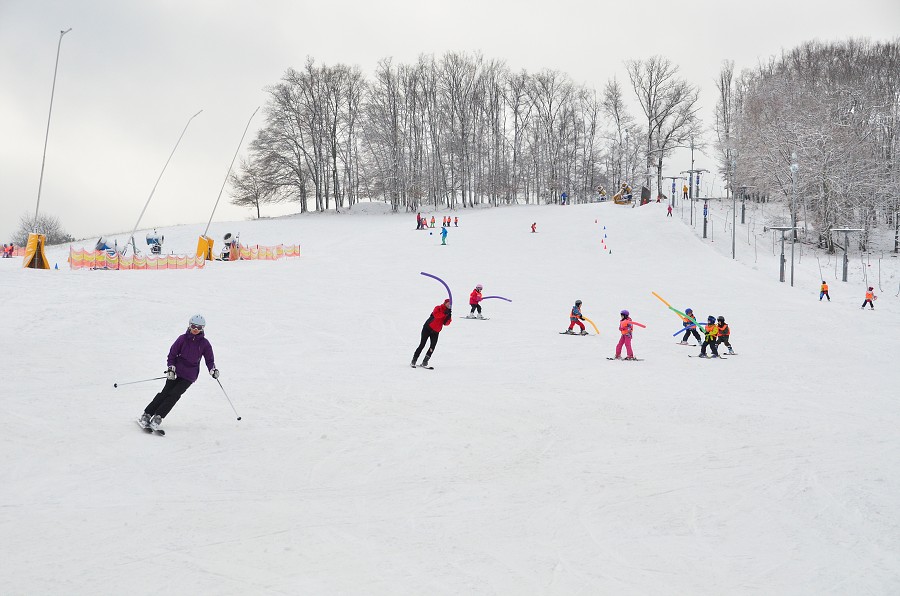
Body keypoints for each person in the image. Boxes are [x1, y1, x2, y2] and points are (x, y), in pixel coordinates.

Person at [139, 315, 219, 431]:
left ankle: (158, 417)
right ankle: (146, 414)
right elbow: (172, 354)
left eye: (199, 327)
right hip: (176, 372)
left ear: (202, 329)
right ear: (189, 325)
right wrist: (171, 368)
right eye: (193, 326)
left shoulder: (205, 344)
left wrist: (212, 370)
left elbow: (209, 360)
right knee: (165, 392)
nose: (196, 329)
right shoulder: (182, 339)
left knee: (175, 395)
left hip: (189, 376)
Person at [412, 299, 452, 367]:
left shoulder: (448, 312)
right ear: (445, 303)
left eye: (450, 303)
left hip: (436, 332)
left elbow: (446, 324)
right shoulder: (438, 308)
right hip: (427, 328)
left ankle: (425, 361)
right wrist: (444, 313)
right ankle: (414, 360)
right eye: (448, 303)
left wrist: (449, 317)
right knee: (422, 345)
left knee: (432, 347)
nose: (449, 304)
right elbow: (436, 315)